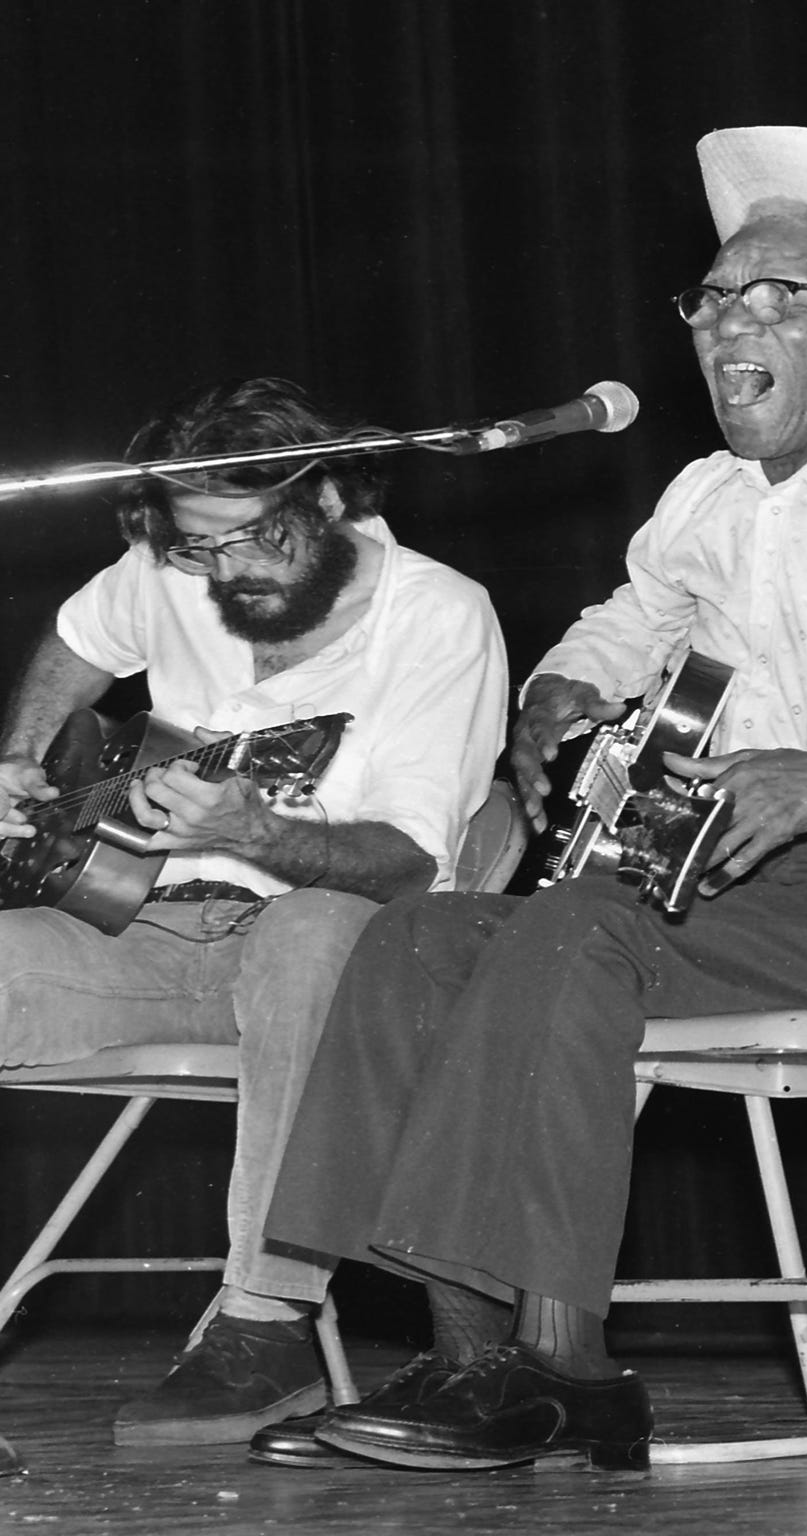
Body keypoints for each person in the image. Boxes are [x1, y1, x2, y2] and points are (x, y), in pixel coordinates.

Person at [259, 127, 807, 1473]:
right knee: (419, 934)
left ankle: (553, 1366)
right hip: (735, 899)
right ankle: (489, 1364)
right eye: (717, 298)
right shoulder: (711, 499)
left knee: (576, 928)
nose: (734, 324)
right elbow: (632, 612)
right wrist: (562, 684)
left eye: (782, 297)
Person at [0, 376, 508, 1446]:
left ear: (328, 504)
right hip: (136, 933)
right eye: (199, 547)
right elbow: (80, 637)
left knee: (311, 926)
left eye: (250, 541)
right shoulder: (174, 570)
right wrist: (21, 754)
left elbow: (411, 867)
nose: (223, 571)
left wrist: (255, 834)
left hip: (331, 959)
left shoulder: (438, 617)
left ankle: (262, 1325)